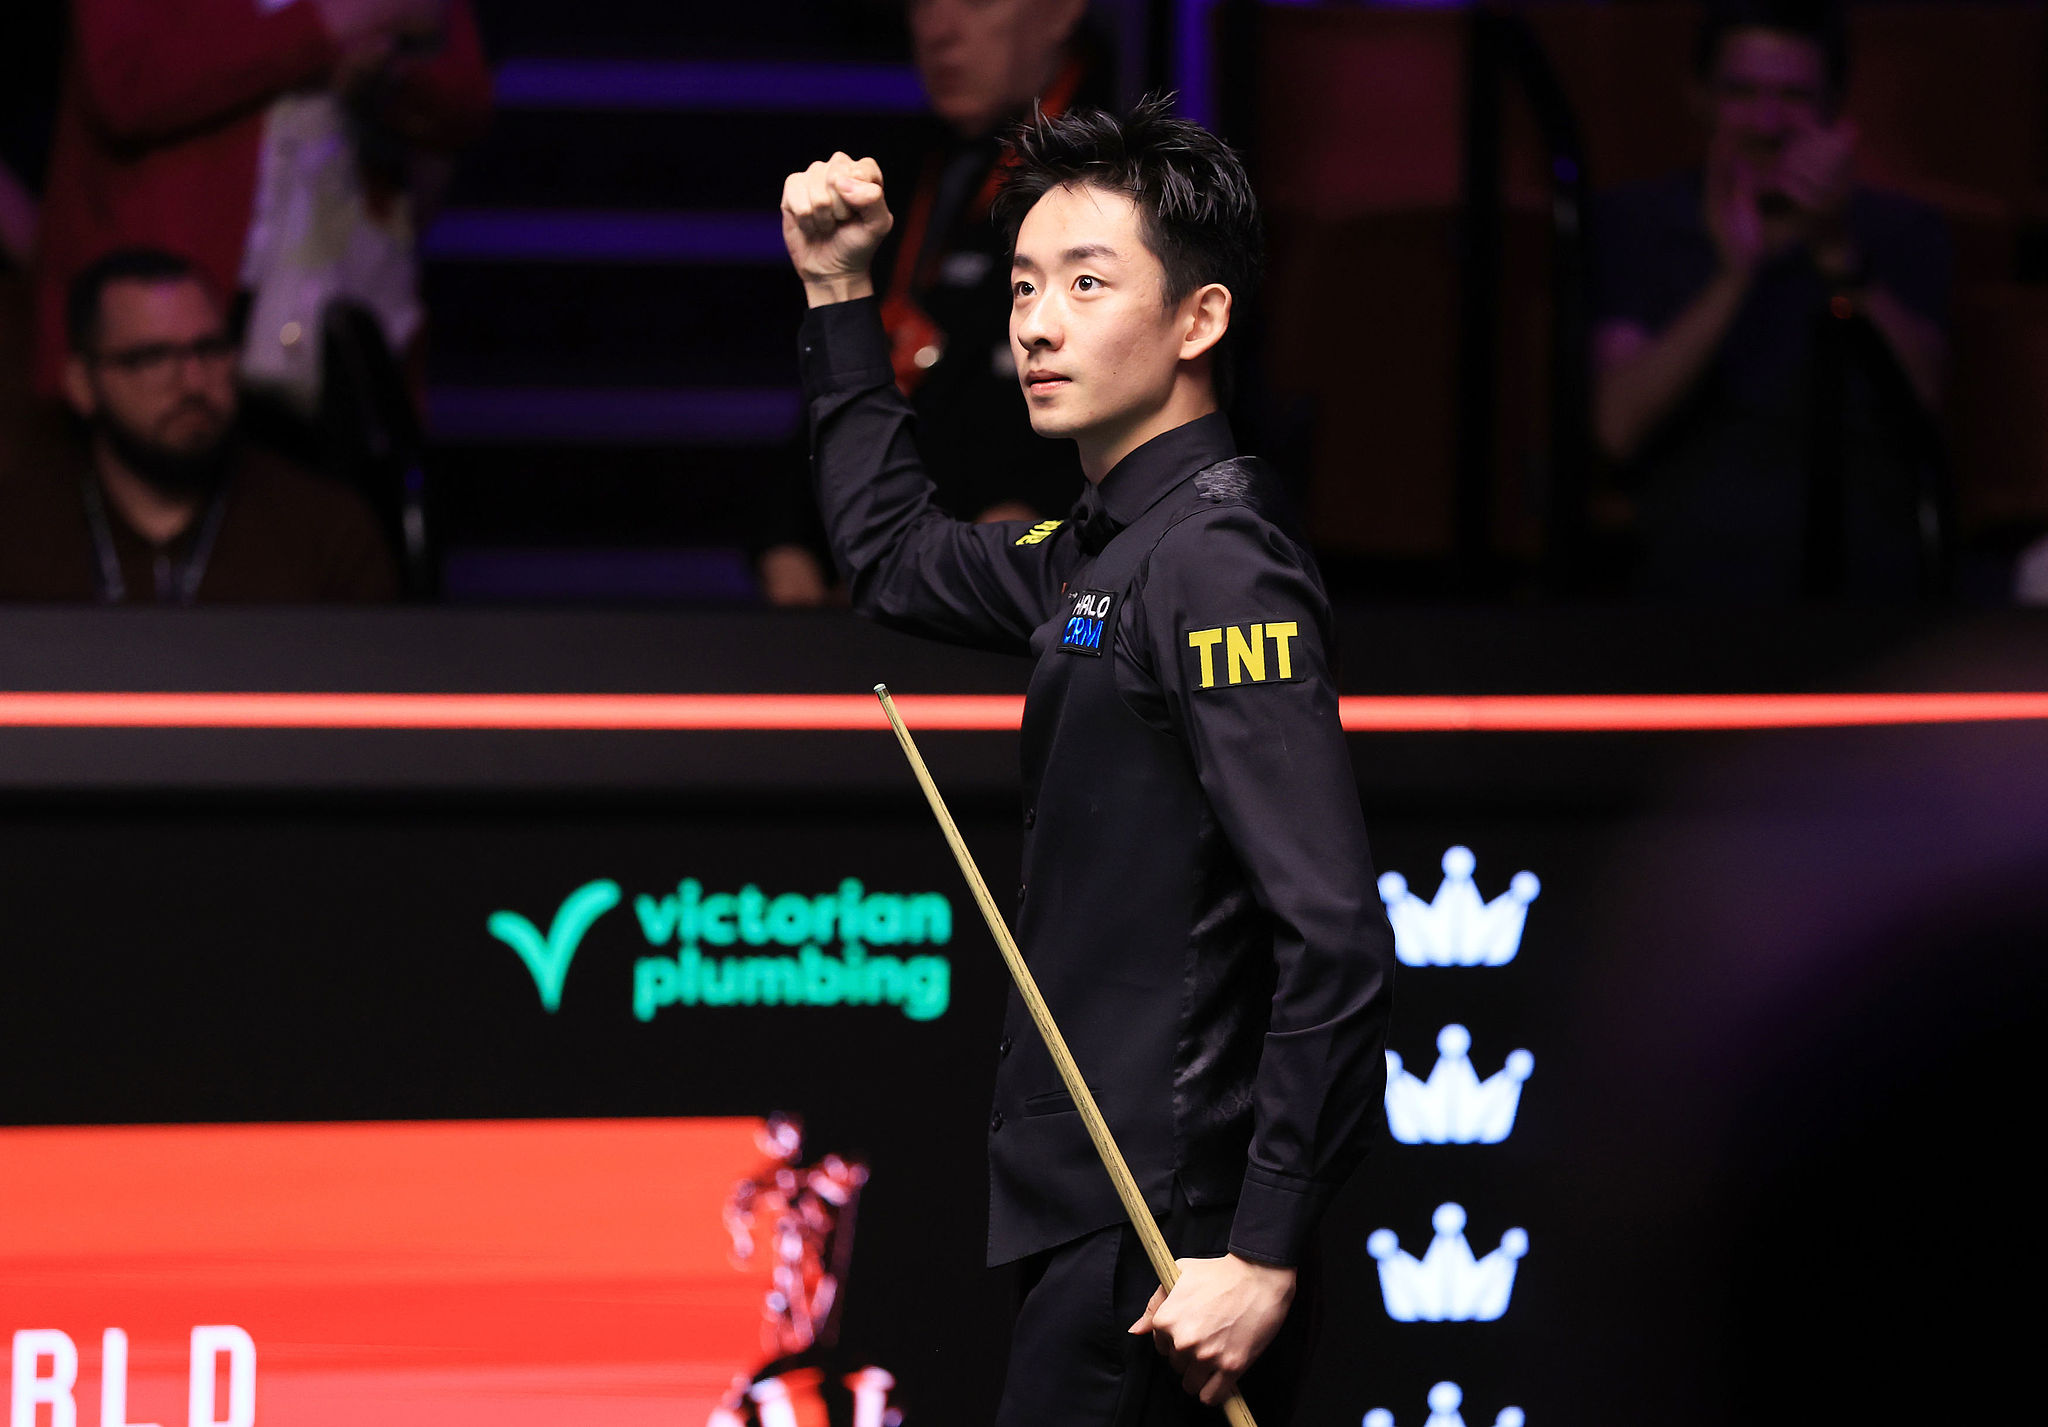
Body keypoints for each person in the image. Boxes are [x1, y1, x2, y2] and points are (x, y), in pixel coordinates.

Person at [780, 100, 1394, 1421]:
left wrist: (1265, 1251)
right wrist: (840, 293)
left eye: (1087, 282)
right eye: (1022, 285)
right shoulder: (1104, 551)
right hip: (1114, 1220)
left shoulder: (1217, 561)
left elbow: (1333, 931)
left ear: (1201, 320)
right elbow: (890, 553)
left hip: (1176, 1242)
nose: (1037, 323)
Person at [1591, 0, 1951, 600]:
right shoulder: (1637, 222)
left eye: (1793, 97)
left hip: (1865, 568)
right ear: (1699, 99)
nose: (1766, 121)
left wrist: (1838, 253)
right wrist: (1734, 276)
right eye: (1740, 92)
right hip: (1682, 572)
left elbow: (1927, 401)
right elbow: (1616, 425)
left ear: (1833, 108)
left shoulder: (1900, 230)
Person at [756, 0, 1102, 606]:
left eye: (975, 2)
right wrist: (788, 538)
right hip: (894, 578)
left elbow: (1187, 408)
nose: (938, 29)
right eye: (921, 3)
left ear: (1060, 10)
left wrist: (1054, 521)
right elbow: (871, 356)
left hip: (1041, 595)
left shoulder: (1130, 173)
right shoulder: (893, 166)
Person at [31, 0, 491, 409]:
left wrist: (386, 78)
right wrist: (330, 21)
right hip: (175, 311)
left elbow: (464, 99)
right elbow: (125, 83)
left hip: (344, 310)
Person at [0, 248, 397, 602]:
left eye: (210, 349)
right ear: (83, 385)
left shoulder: (322, 531)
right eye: (153, 357)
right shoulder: (19, 534)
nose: (192, 382)